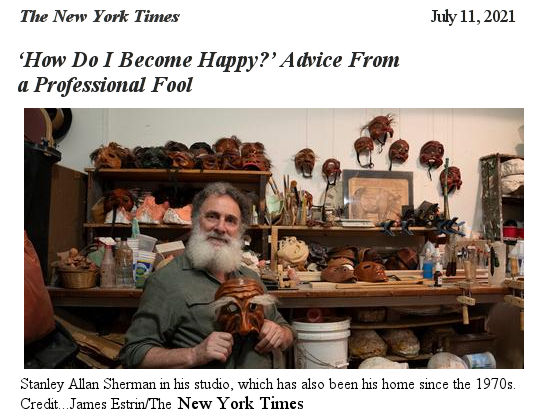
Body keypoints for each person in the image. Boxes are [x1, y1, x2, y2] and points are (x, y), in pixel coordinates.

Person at [119, 182, 294, 368]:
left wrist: (281, 333)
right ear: (195, 221)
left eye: (230, 220)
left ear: (240, 230)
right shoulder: (165, 281)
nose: (220, 227)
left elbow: (287, 331)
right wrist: (194, 354)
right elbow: (134, 353)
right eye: (212, 216)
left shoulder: (251, 277)